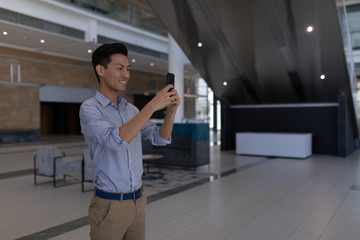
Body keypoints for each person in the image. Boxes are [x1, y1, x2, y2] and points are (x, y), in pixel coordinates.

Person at [79, 43, 180, 240]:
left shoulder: (131, 110)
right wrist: (152, 106)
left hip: (138, 201)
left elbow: (160, 139)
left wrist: (171, 112)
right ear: (100, 70)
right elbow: (115, 140)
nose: (126, 74)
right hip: (109, 206)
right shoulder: (90, 109)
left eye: (128, 69)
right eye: (119, 68)